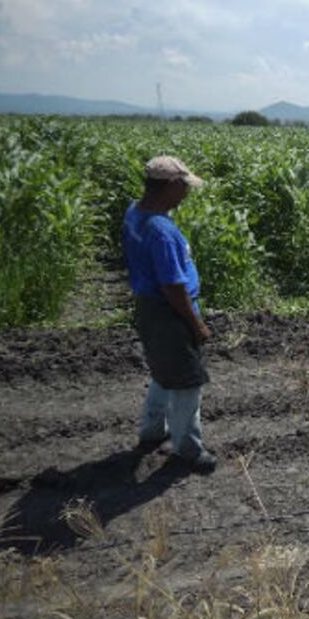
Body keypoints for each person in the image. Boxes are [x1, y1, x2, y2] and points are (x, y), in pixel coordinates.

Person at [123, 156, 217, 473]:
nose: (187, 193)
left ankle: (152, 432)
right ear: (171, 185)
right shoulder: (161, 231)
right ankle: (188, 450)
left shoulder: (135, 212)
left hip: (148, 308)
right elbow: (173, 287)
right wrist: (196, 323)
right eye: (185, 187)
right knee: (188, 383)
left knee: (163, 371)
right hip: (170, 312)